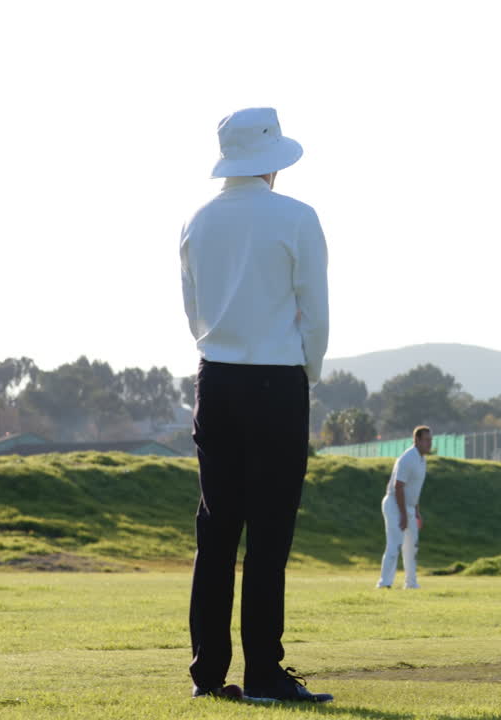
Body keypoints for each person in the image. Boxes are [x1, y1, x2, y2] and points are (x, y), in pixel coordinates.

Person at [182, 107, 332, 703]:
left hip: (214, 380)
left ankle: (209, 676)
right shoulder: (296, 217)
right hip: (275, 382)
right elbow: (314, 310)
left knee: (216, 533)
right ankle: (266, 674)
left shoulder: (197, 219)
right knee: (268, 537)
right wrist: (308, 373)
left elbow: (192, 306)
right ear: (272, 162)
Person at [379, 426, 432, 589]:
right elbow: (399, 487)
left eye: (431, 440)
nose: (429, 444)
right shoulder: (408, 458)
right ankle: (384, 583)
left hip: (408, 507)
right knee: (395, 544)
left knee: (412, 547)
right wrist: (402, 514)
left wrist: (416, 513)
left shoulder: (422, 460)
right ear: (417, 440)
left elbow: (413, 489)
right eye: (426, 440)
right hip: (394, 504)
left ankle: (411, 584)